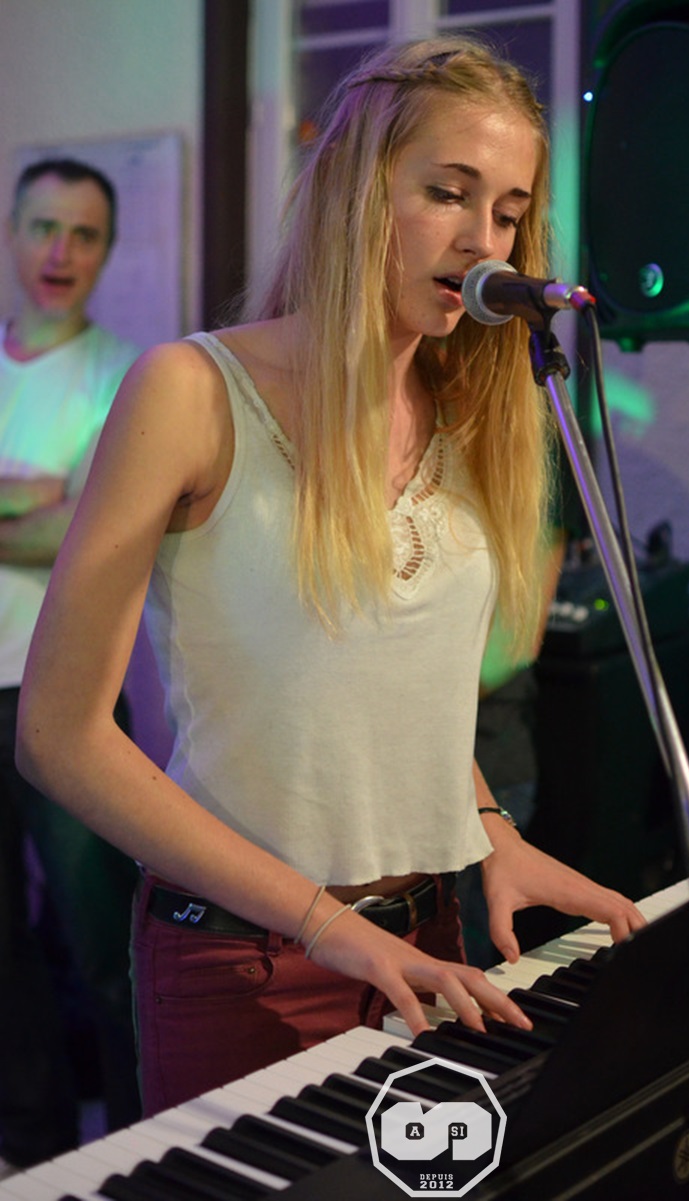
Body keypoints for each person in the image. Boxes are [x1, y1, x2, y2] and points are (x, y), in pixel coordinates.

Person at [17, 36, 646, 1121]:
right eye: (446, 193)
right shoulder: (189, 391)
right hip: (244, 963)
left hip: (425, 941)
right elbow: (58, 735)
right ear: (358, 190)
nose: (483, 240)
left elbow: (391, 699)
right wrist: (326, 924)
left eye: (507, 212)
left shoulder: (468, 415)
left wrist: (492, 830)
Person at [0, 157, 141, 1167]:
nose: (61, 251)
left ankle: (140, 1143)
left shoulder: (125, 375)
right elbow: (50, 517)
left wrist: (63, 508)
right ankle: (31, 1142)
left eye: (83, 234)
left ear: (106, 250)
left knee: (107, 947)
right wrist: (39, 495)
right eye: (44, 227)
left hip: (70, 697)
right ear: (12, 233)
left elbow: (82, 533)